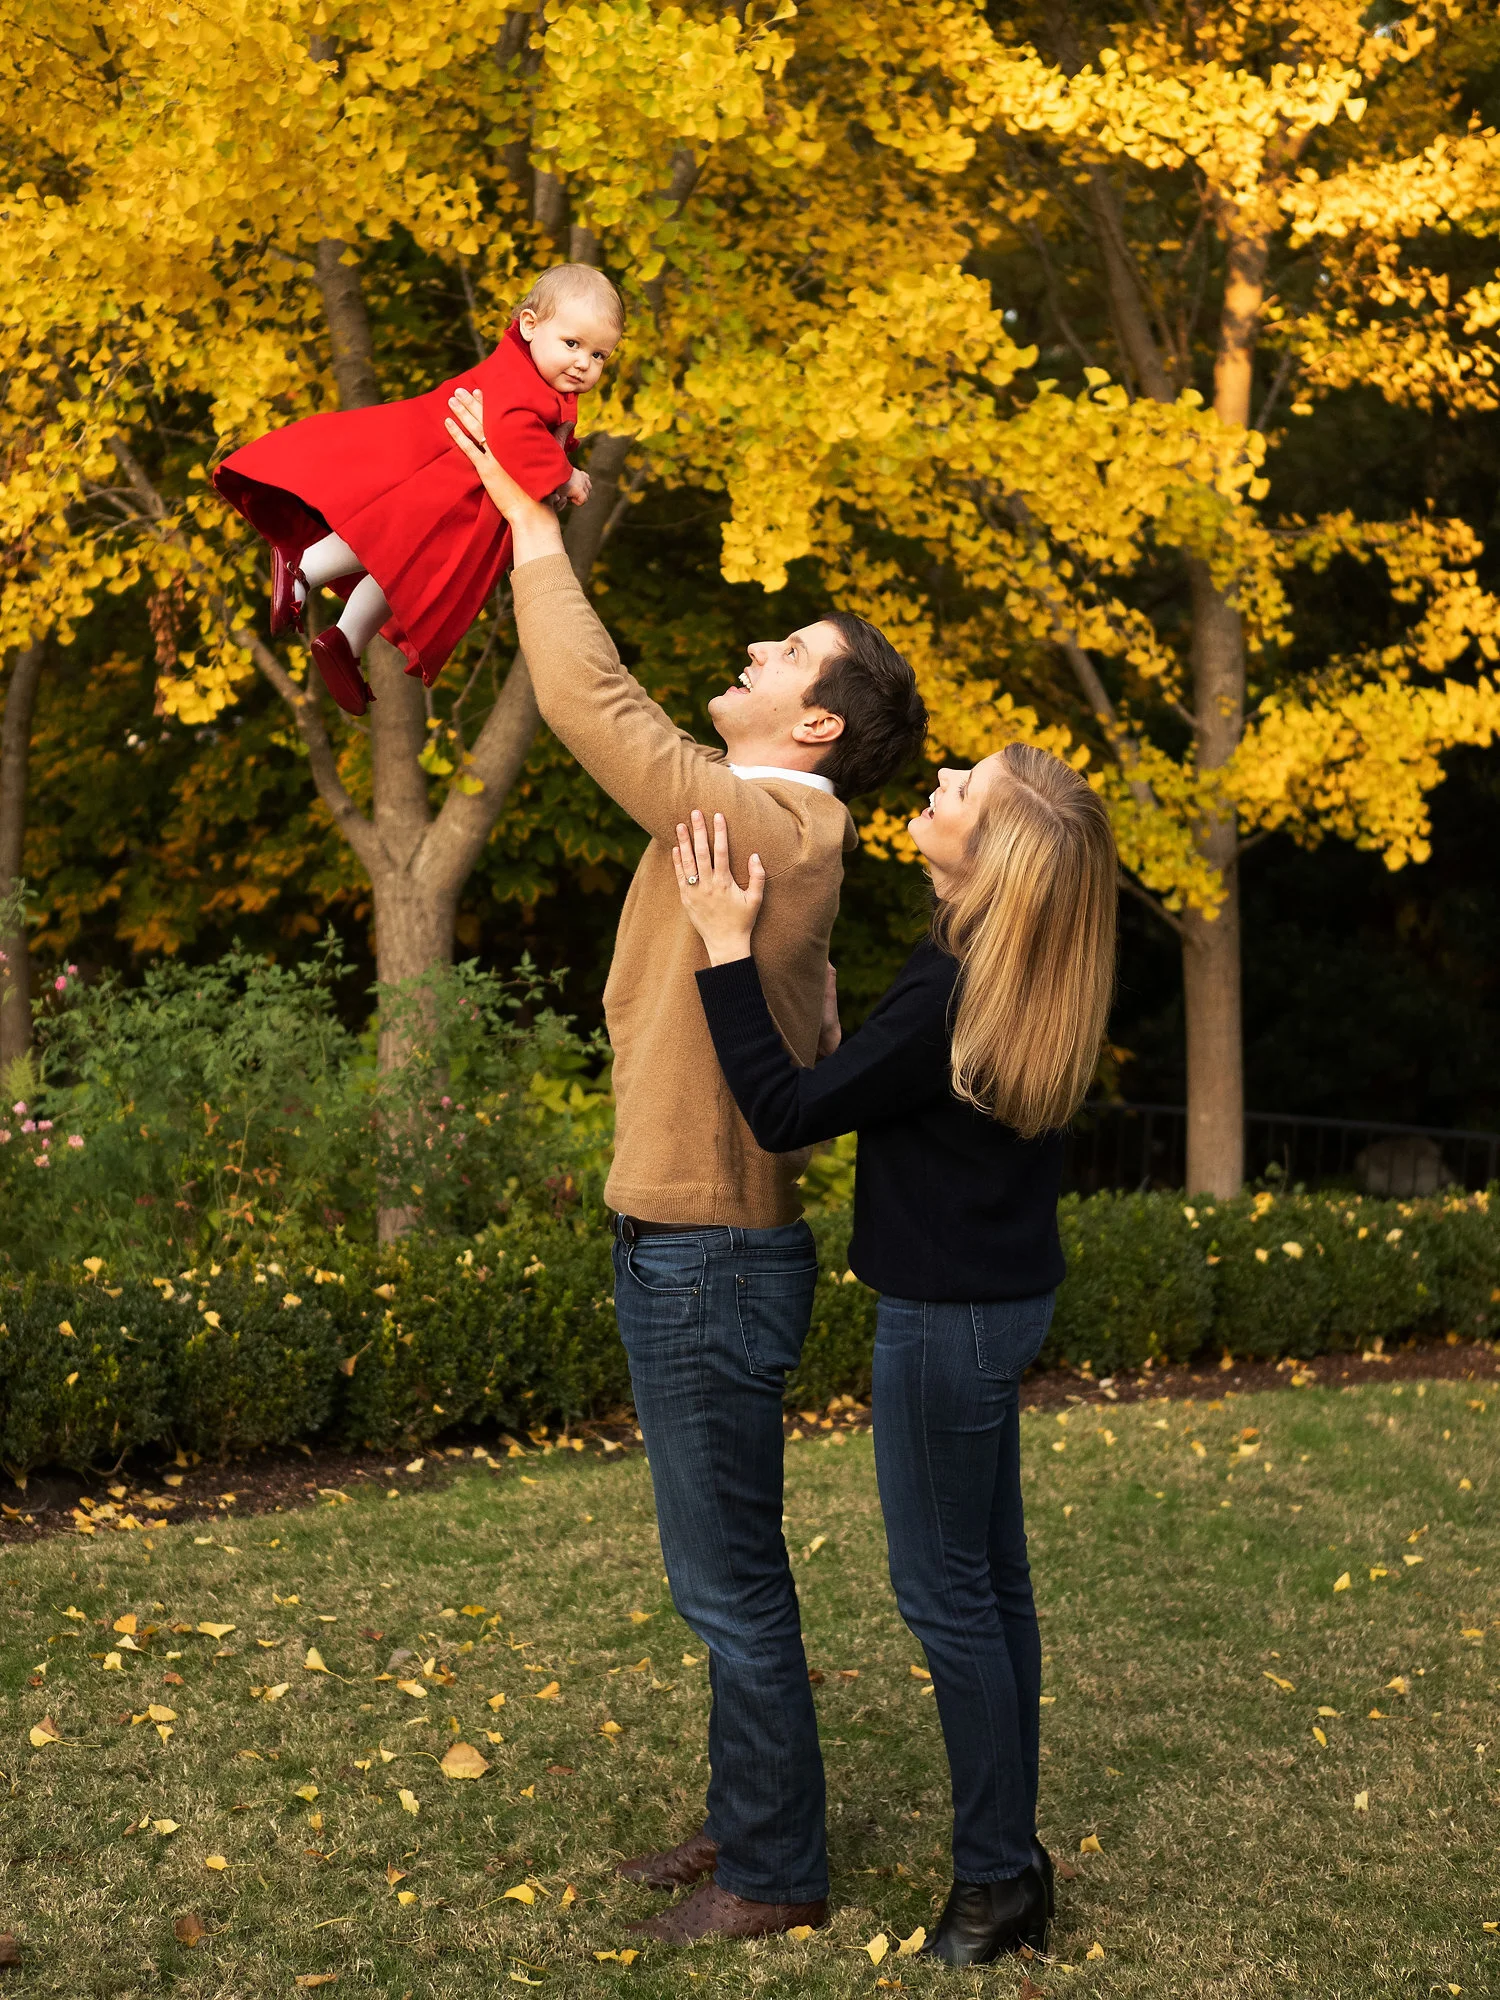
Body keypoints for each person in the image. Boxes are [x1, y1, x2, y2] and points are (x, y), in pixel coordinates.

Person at [442, 391, 928, 1943]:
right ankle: (747, 1823)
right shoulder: (755, 821)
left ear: (820, 724)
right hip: (679, 1241)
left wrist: (534, 527)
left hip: (711, 1256)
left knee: (729, 1582)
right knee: (715, 1570)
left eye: (786, 651)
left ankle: (775, 1875)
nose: (757, 649)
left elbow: (604, 714)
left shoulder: (779, 829)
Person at [669, 743, 1118, 1967]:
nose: (937, 784)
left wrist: (721, 945)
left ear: (995, 855)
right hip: (998, 1300)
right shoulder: (996, 963)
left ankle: (993, 1885)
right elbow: (885, 1090)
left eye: (960, 790)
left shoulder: (949, 986)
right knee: (992, 1588)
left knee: (948, 1598)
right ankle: (1011, 1863)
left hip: (945, 1317)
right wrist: (830, 1040)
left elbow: (784, 1117)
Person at [213, 263, 622, 715]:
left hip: (463, 494)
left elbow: (532, 445)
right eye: (573, 344)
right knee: (394, 537)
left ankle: (345, 640)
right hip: (439, 474)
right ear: (529, 325)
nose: (584, 363)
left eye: (599, 355)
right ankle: (305, 565)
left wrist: (553, 474)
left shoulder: (543, 386)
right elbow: (512, 434)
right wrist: (564, 474)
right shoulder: (519, 380)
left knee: (407, 567)